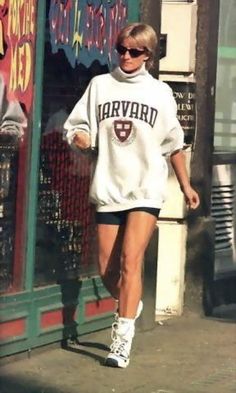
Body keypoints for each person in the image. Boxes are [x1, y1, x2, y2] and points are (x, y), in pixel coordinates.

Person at [64, 22, 200, 369]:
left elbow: (174, 146)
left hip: (146, 189)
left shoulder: (160, 93)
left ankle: (121, 341)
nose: (126, 55)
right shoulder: (100, 86)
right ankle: (131, 302)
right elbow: (76, 125)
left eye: (134, 51)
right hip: (109, 186)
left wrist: (185, 186)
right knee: (108, 270)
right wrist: (80, 137)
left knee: (129, 261)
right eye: (121, 49)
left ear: (148, 56)